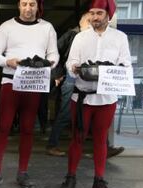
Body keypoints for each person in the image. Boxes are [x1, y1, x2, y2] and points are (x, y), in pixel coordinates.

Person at [59, 0, 132, 188]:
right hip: (81, 97)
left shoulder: (120, 38)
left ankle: (99, 180)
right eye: (92, 13)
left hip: (106, 98)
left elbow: (126, 65)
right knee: (77, 138)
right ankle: (71, 176)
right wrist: (74, 68)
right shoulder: (80, 38)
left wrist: (113, 70)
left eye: (99, 13)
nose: (94, 17)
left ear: (109, 15)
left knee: (101, 140)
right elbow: (70, 62)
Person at [0, 0, 59, 188]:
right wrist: (6, 61)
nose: (28, 8)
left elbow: (54, 54)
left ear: (37, 6)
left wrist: (48, 63)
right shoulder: (6, 27)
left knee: (28, 128)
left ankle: (23, 172)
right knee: (3, 127)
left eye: (32, 4)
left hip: (35, 82)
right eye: (24, 4)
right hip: (11, 81)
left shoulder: (47, 28)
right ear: (18, 5)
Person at [46, 11, 91, 157]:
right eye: (89, 22)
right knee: (66, 112)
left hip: (85, 80)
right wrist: (58, 74)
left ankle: (89, 147)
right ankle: (52, 145)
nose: (92, 24)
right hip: (71, 78)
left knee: (85, 113)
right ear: (82, 23)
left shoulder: (91, 39)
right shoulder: (72, 35)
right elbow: (54, 54)